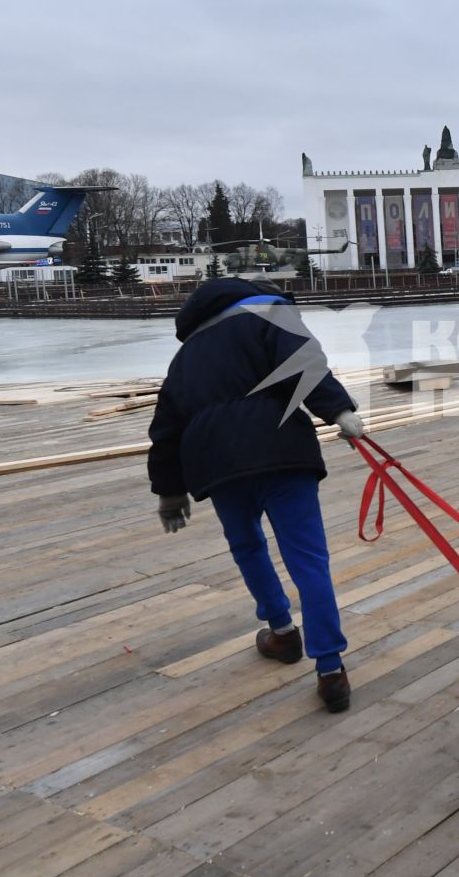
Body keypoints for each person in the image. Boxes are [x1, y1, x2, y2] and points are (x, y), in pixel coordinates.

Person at [146, 277, 366, 713]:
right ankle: (329, 669)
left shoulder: (183, 358)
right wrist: (339, 411)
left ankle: (282, 633)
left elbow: (165, 432)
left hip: (217, 464)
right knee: (308, 559)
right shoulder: (267, 316)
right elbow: (305, 365)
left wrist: (169, 493)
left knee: (248, 547)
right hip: (282, 449)